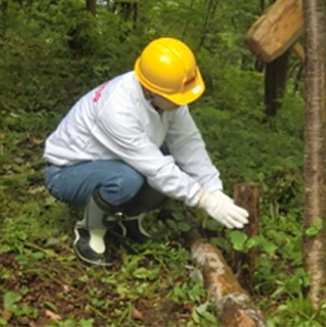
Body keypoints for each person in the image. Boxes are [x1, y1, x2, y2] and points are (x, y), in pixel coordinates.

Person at [44, 37, 249, 267]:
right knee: (129, 179)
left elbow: (188, 143)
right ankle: (91, 232)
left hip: (115, 160)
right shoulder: (118, 109)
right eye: (177, 98)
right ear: (152, 90)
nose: (182, 103)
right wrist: (203, 200)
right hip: (67, 172)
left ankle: (127, 221)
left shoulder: (167, 96)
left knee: (170, 165)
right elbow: (157, 168)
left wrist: (213, 188)